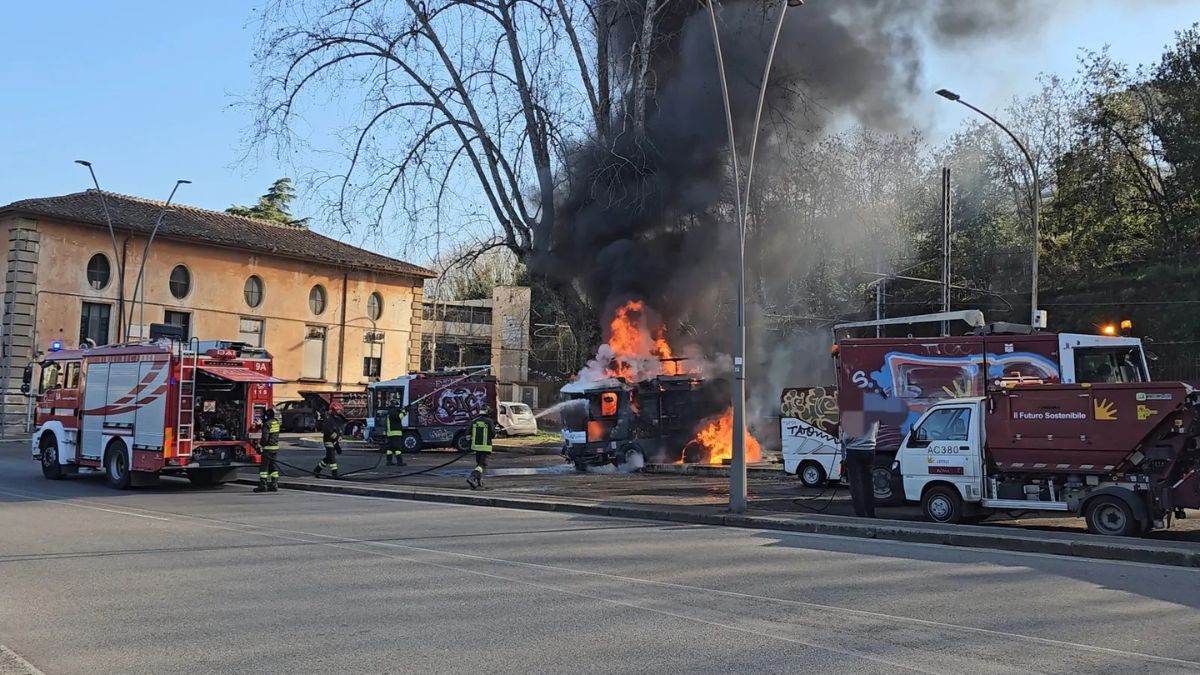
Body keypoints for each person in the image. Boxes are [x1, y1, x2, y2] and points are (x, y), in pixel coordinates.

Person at [842, 422, 879, 518]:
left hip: (854, 450)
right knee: (868, 483)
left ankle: (860, 513)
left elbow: (848, 436)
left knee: (856, 484)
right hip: (870, 450)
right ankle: (871, 512)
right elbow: (876, 431)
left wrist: (843, 440)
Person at [255, 408, 282, 493]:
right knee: (273, 466)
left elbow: (265, 438)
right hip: (275, 448)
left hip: (267, 449)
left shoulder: (267, 424)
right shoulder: (276, 423)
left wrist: (260, 445)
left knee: (264, 468)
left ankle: (263, 485)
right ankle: (274, 484)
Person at [313, 406, 343, 478]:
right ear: (333, 410)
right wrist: (334, 436)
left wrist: (340, 435)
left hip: (335, 440)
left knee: (328, 457)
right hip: (328, 440)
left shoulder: (337, 418)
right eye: (337, 410)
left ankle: (317, 470)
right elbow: (326, 429)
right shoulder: (328, 418)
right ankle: (335, 474)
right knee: (332, 457)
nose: (338, 412)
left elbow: (339, 428)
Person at [466, 417, 493, 490]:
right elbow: (493, 434)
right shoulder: (489, 421)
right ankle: (472, 477)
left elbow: (468, 434)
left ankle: (479, 482)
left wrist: (469, 445)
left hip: (476, 447)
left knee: (479, 465)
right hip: (485, 447)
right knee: (482, 465)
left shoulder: (474, 421)